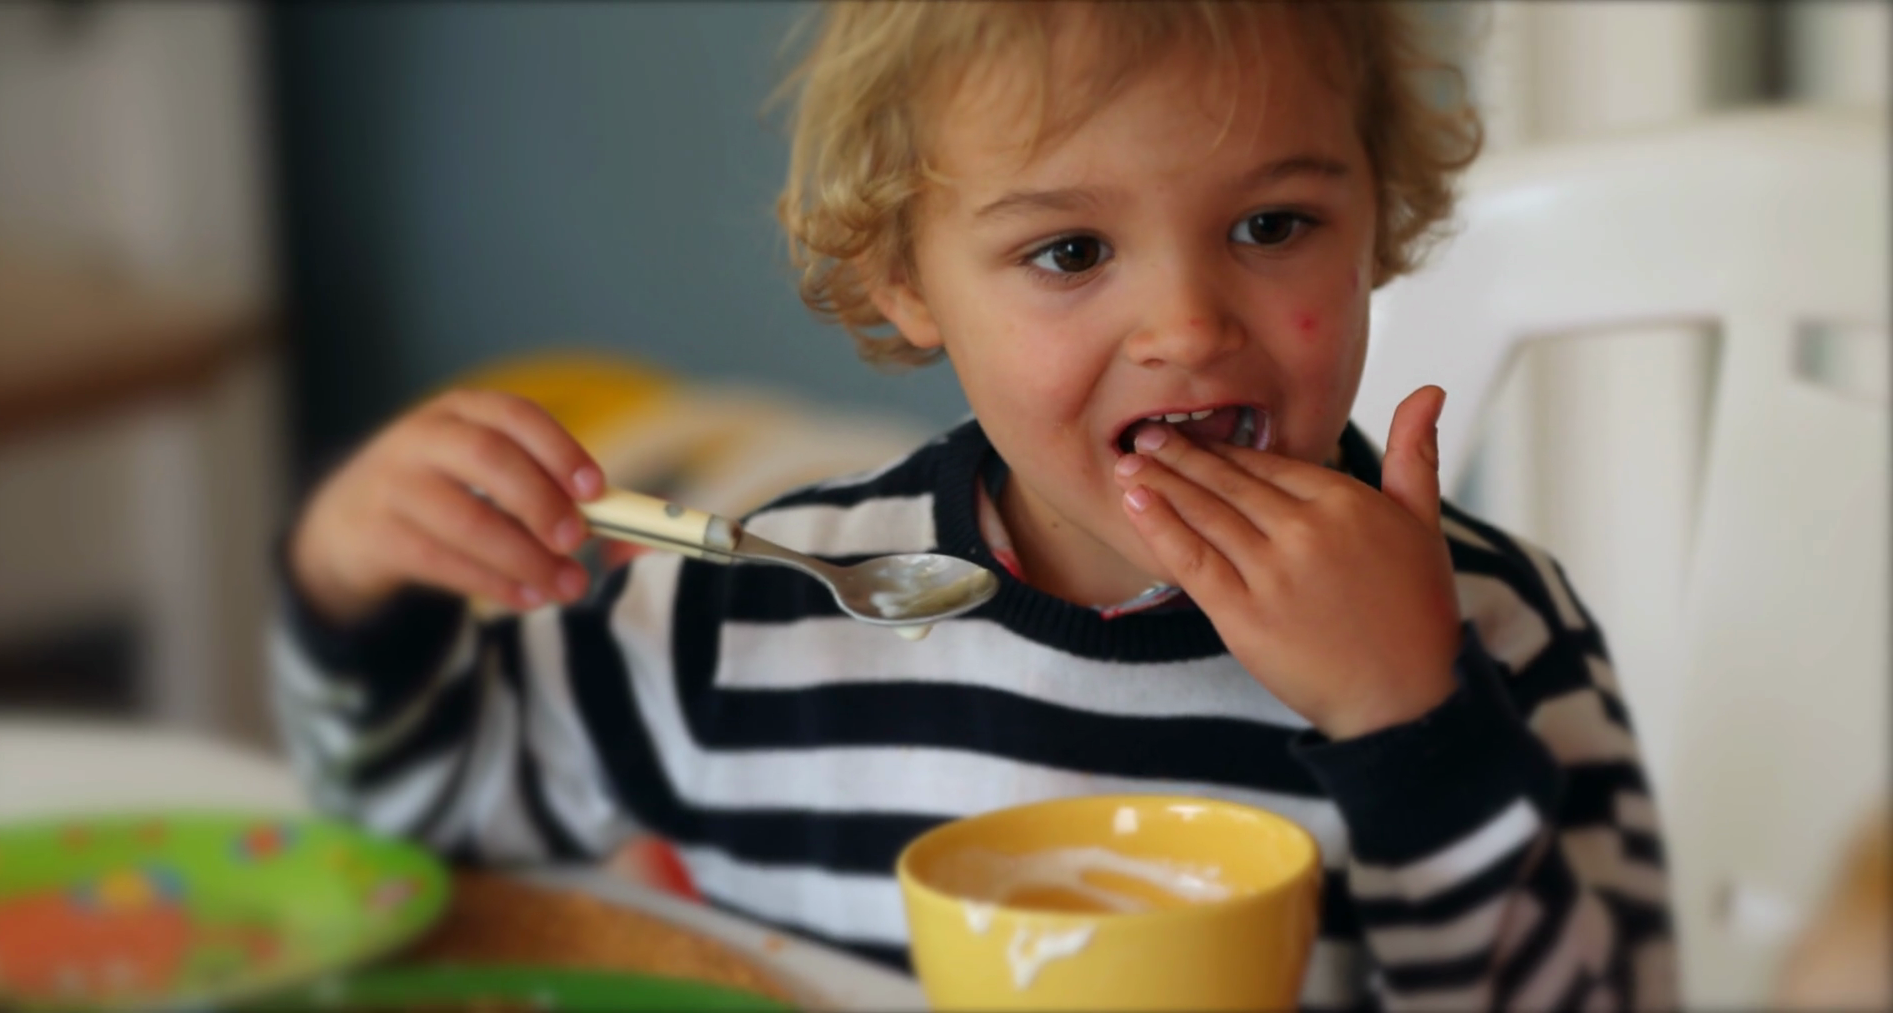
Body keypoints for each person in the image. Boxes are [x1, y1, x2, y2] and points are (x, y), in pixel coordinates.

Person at [274, 3, 1674, 1007]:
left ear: (1376, 214)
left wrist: (1409, 725)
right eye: (1070, 251)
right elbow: (404, 830)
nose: (1187, 326)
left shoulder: (1487, 630)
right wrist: (354, 590)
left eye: (1271, 225)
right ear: (906, 278)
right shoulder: (756, 615)